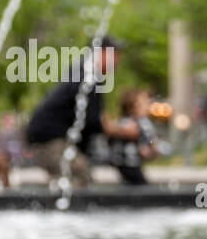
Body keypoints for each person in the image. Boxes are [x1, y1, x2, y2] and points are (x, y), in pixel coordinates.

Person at [25, 36, 136, 186]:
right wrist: (122, 131)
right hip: (49, 140)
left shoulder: (84, 71)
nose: (118, 60)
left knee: (71, 178)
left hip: (45, 138)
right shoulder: (88, 77)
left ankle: (53, 203)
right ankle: (52, 206)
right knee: (80, 174)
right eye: (115, 54)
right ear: (101, 53)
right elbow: (93, 121)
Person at [109, 89, 158, 185]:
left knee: (128, 183)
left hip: (119, 162)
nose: (148, 107)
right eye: (145, 104)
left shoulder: (121, 121)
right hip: (132, 162)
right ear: (134, 108)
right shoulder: (143, 122)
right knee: (142, 185)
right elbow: (150, 139)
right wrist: (152, 148)